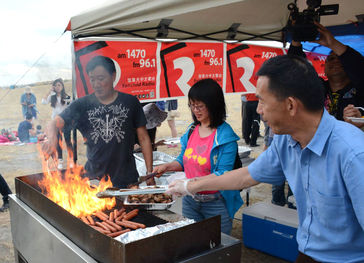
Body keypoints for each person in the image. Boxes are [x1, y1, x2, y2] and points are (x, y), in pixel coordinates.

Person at [168, 55, 364, 262]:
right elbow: (246, 176)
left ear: (290, 105)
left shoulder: (353, 153)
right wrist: (191, 185)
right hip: (307, 252)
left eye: (262, 101)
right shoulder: (285, 141)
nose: (258, 110)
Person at [42, 55, 153, 188]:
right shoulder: (82, 105)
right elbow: (54, 123)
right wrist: (52, 138)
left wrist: (149, 172)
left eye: (101, 79)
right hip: (94, 180)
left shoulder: (130, 102)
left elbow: (144, 138)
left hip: (127, 179)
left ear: (113, 76)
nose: (96, 84)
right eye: (92, 79)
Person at [153, 79, 243, 235]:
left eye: (200, 106)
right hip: (190, 200)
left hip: (215, 203)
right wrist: (167, 166)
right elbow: (184, 159)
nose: (195, 110)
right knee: (191, 239)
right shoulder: (192, 129)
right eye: (192, 105)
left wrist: (189, 184)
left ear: (214, 105)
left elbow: (223, 174)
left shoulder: (225, 136)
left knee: (218, 243)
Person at [288, 22, 364, 121]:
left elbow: (359, 66)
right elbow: (297, 69)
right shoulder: (318, 88)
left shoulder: (360, 88)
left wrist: (333, 43)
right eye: (331, 59)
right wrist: (296, 40)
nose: (336, 61)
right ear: (324, 69)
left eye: (340, 59)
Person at [42, 78, 72, 169]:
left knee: (68, 140)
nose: (58, 87)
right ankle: (60, 161)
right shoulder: (52, 97)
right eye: (56, 85)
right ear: (54, 87)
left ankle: (71, 160)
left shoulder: (67, 97)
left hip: (65, 121)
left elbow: (71, 108)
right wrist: (49, 91)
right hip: (56, 122)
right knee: (59, 141)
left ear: (62, 86)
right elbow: (43, 102)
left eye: (59, 85)